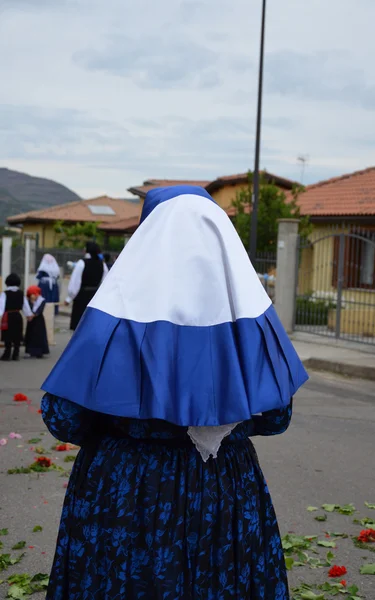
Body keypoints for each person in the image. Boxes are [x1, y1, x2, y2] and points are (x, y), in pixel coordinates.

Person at [41, 186, 308, 599]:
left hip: (126, 496)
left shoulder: (113, 315)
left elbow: (63, 418)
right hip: (223, 492)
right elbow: (276, 417)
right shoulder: (249, 317)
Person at [65, 241, 108, 331]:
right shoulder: (102, 264)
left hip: (82, 297)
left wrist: (69, 298)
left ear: (87, 251)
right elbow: (105, 283)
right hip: (95, 298)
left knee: (79, 325)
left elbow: (75, 283)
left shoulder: (82, 263)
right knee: (92, 325)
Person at [0, 273, 32, 361]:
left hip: (8, 316)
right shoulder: (21, 294)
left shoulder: (4, 294)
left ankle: (7, 353)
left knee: (8, 335)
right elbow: (25, 306)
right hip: (18, 316)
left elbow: (1, 306)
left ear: (7, 283)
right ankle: (16, 354)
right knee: (17, 335)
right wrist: (28, 314)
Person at [24, 286, 49, 359]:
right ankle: (30, 351)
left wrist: (33, 315)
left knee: (39, 335)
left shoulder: (42, 300)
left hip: (39, 320)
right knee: (30, 335)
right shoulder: (28, 301)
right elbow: (27, 308)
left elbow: (39, 310)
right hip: (31, 320)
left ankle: (40, 351)